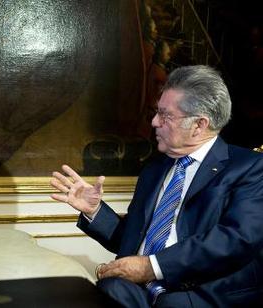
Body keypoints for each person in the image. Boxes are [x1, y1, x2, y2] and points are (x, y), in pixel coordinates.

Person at [51, 65, 263, 307]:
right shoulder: (154, 170)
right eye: (156, 113)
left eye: (165, 115)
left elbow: (236, 239)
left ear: (199, 125)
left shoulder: (251, 168)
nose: (153, 122)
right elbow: (134, 241)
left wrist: (151, 267)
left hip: (205, 294)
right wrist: (94, 211)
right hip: (139, 291)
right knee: (107, 290)